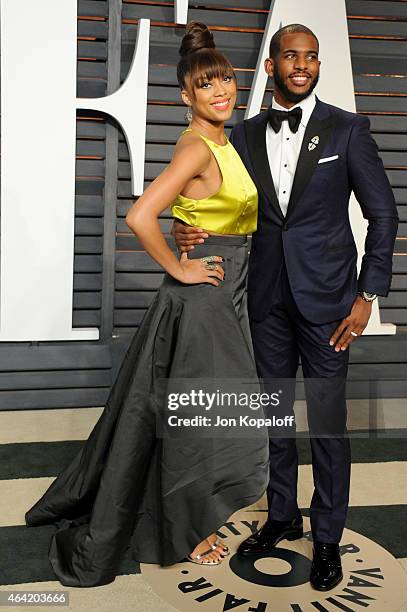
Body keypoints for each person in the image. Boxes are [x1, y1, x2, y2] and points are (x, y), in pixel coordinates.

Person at [24, 22, 269, 587]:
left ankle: (191, 516)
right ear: (186, 97)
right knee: (205, 421)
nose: (221, 91)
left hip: (228, 290)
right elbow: (140, 215)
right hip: (203, 297)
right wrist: (180, 263)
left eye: (226, 79)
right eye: (206, 85)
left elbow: (212, 212)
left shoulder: (223, 141)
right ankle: (191, 528)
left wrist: (192, 228)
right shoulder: (194, 145)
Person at [173, 23, 399, 591]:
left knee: (327, 424)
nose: (302, 65)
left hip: (330, 306)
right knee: (275, 419)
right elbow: (213, 200)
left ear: (318, 66)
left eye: (312, 57)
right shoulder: (242, 136)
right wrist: (186, 232)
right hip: (266, 299)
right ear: (270, 66)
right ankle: (280, 515)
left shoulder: (348, 130)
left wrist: (367, 295)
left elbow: (384, 214)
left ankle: (327, 538)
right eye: (291, 56)